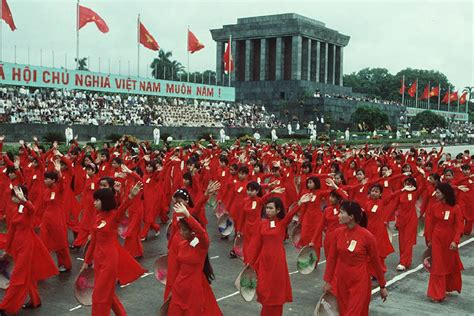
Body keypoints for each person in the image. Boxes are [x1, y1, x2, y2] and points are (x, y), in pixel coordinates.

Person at [80, 182, 146, 315]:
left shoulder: (113, 216)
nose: (94, 203)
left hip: (109, 261)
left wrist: (130, 196)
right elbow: (93, 241)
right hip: (98, 261)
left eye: (97, 200)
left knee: (99, 296)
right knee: (107, 293)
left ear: (105, 201)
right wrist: (86, 261)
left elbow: (122, 210)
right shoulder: (98, 217)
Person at [323, 201, 388, 316]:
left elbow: (376, 262)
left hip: (360, 281)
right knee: (343, 312)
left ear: (351, 216)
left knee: (354, 313)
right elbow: (332, 259)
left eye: (341, 213)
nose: (338, 215)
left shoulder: (367, 236)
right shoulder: (337, 233)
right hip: (341, 280)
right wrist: (328, 281)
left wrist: (382, 286)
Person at [0, 186, 58, 315]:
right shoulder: (16, 209)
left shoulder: (27, 208)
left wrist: (23, 200)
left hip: (27, 245)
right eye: (13, 196)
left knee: (18, 277)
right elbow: (11, 231)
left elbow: (33, 209)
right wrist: (7, 249)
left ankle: (5, 306)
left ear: (23, 195)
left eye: (16, 196)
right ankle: (35, 300)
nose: (13, 198)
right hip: (17, 245)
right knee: (28, 275)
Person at [250, 196, 304, 316]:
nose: (267, 210)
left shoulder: (282, 223)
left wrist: (299, 203)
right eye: (266, 208)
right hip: (264, 261)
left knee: (276, 293)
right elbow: (257, 245)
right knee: (264, 290)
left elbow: (290, 215)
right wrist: (251, 263)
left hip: (277, 262)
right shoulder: (262, 224)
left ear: (278, 210)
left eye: (270, 208)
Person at [166, 202, 222, 315]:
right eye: (180, 229)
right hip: (179, 288)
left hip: (193, 291)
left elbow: (202, 233)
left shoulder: (201, 246)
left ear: (192, 231)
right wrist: (171, 289)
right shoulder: (182, 245)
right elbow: (176, 269)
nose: (181, 232)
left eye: (184, 230)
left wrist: (188, 215)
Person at [425, 183, 464, 302]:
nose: (435, 194)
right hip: (437, 239)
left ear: (445, 194)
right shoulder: (434, 206)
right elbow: (430, 224)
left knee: (450, 264)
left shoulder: (455, 208)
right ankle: (437, 294)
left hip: (450, 241)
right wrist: (429, 240)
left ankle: (449, 286)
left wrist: (455, 241)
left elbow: (459, 226)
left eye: (438, 193)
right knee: (437, 266)